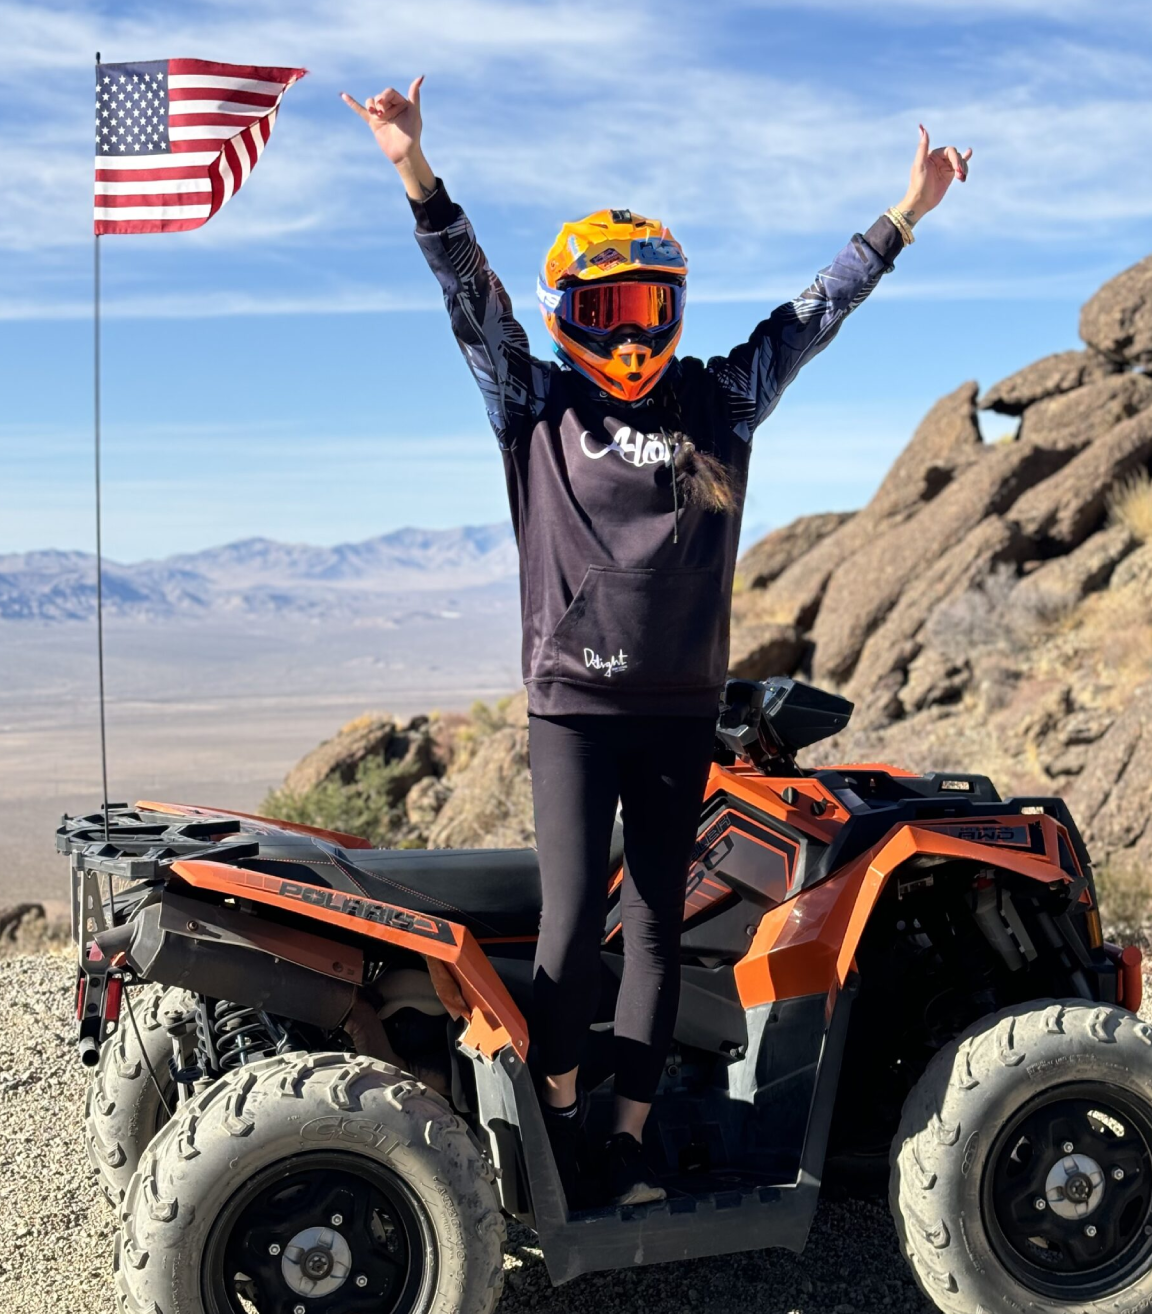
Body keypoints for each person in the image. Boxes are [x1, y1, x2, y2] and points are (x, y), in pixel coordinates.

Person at [344, 77, 971, 1206]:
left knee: (653, 926)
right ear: (566, 316)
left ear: (673, 310)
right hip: (573, 712)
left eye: (647, 311)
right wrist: (412, 165)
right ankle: (561, 1117)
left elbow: (812, 316)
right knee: (573, 920)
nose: (630, 336)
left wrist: (904, 214)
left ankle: (625, 1142)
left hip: (679, 711)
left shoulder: (719, 402)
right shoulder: (531, 406)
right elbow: (465, 293)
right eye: (607, 313)